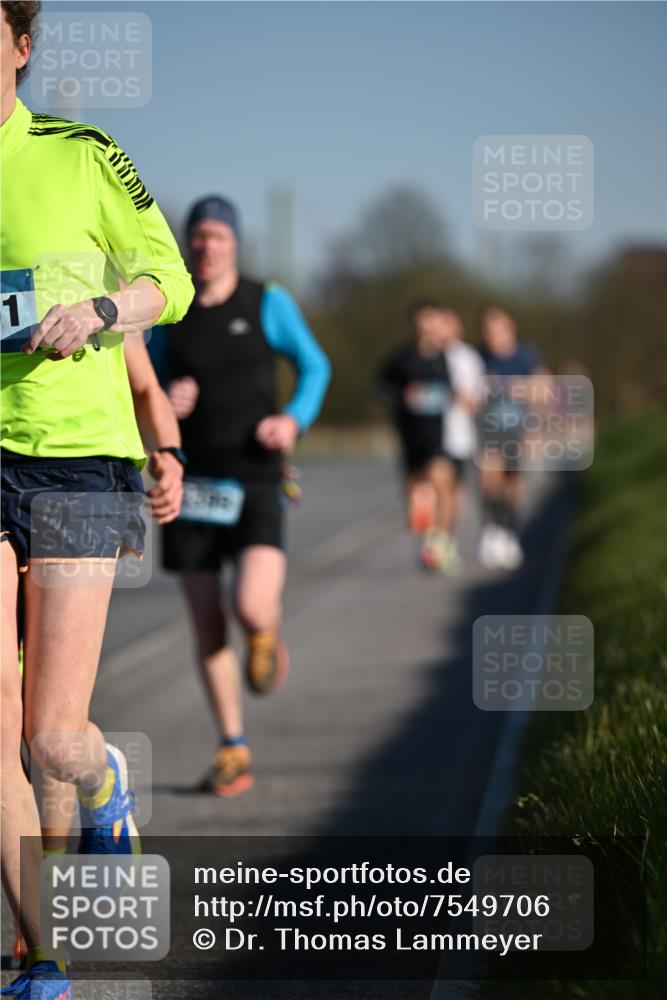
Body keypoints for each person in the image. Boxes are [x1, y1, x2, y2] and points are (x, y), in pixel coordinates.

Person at [0, 2, 194, 995]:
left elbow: (171, 277)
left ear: (20, 46)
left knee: (50, 737)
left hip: (81, 462)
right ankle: (44, 955)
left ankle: (105, 778)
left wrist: (105, 308)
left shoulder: (79, 154)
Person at [152, 194, 330, 797]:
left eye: (218, 236)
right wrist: (163, 403)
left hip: (256, 477)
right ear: (187, 243)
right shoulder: (168, 307)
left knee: (252, 606)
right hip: (190, 484)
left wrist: (293, 420)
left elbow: (316, 366)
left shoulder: (266, 300)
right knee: (207, 627)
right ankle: (233, 745)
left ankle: (265, 633)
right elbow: (140, 383)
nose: (207, 246)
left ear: (235, 243)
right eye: (198, 236)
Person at [377, 301, 457, 572]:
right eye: (424, 321)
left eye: (433, 320)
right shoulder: (402, 358)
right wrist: (403, 394)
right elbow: (379, 387)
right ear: (415, 325)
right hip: (410, 435)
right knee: (416, 493)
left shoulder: (444, 357)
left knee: (440, 480)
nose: (429, 327)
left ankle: (442, 540)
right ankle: (426, 539)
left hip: (438, 434)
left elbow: (453, 390)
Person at [476, 306, 546, 570]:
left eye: (497, 330)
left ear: (510, 329)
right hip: (489, 431)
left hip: (517, 429)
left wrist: (534, 426)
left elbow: (544, 388)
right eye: (488, 331)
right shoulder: (480, 357)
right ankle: (492, 531)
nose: (493, 336)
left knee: (512, 483)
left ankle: (510, 532)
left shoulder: (525, 356)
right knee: (488, 479)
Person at [439, 308, 485, 564]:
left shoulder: (468, 357)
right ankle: (437, 539)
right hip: (434, 434)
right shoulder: (430, 354)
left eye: (447, 323)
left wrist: (464, 398)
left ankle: (448, 538)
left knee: (454, 491)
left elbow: (477, 398)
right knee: (438, 486)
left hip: (460, 434)